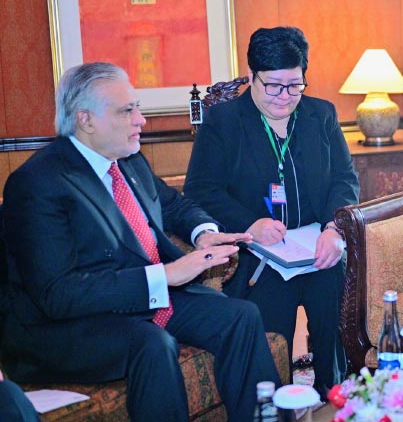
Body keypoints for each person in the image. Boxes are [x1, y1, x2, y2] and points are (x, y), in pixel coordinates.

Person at [0, 62, 280, 422]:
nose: (141, 120)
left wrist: (203, 232)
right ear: (85, 120)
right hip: (64, 325)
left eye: (138, 108)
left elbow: (173, 205)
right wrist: (166, 276)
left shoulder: (129, 159)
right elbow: (58, 294)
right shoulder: (38, 183)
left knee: (240, 316)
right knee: (151, 343)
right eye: (127, 110)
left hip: (140, 300)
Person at [184, 26, 359, 398]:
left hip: (317, 246)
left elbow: (344, 179)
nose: (285, 96)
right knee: (271, 343)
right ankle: (276, 403)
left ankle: (332, 396)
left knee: (335, 320)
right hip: (260, 256)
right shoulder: (224, 122)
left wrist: (334, 228)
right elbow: (201, 190)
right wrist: (251, 224)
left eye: (295, 85)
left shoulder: (321, 115)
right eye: (274, 86)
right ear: (252, 77)